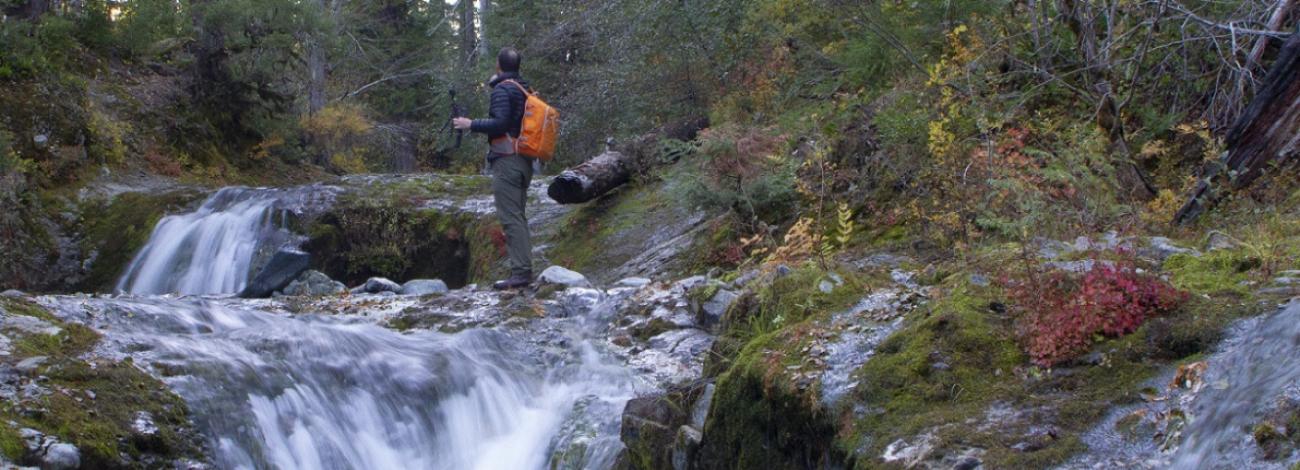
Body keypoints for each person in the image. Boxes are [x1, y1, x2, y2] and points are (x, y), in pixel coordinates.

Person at [453, 47, 534, 290]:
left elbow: (500, 123)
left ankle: (520, 273)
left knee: (510, 218)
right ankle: (523, 269)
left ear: (499, 66)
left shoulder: (503, 89)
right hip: (524, 161)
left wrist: (470, 124)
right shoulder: (524, 89)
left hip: (507, 161)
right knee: (518, 215)